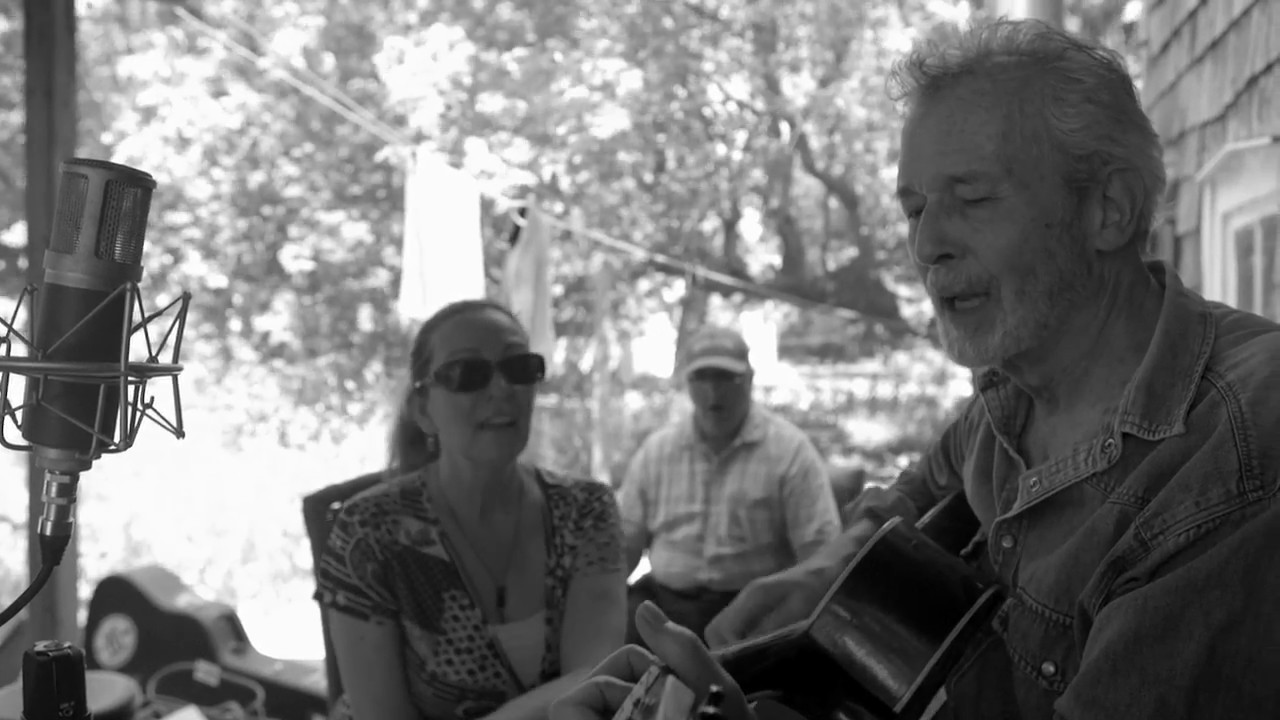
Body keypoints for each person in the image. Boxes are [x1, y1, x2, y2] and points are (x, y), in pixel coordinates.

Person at [551, 19, 1280, 720]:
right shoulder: (1010, 394)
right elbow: (923, 488)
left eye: (973, 198)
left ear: (1109, 209)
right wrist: (823, 572)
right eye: (914, 209)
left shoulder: (1235, 455)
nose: (927, 245)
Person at [314, 299, 628, 720]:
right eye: (467, 374)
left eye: (519, 368)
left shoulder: (586, 510)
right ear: (423, 409)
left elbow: (593, 680)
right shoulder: (367, 531)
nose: (502, 389)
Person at [618, 325, 841, 642]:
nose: (713, 393)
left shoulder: (790, 452)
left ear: (749, 379)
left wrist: (788, 614)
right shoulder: (657, 451)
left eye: (725, 378)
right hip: (664, 605)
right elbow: (626, 544)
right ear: (687, 383)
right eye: (701, 378)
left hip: (752, 611)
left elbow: (820, 554)